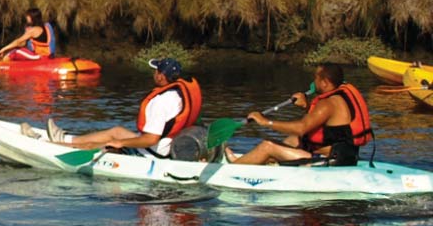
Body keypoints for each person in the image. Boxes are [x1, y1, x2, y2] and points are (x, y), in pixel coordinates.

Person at [37, 57, 202, 156]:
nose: (154, 74)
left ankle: (53, 148)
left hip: (154, 152)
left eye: (156, 71)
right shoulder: (180, 94)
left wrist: (122, 143)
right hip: (167, 145)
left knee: (112, 140)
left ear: (160, 76)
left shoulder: (160, 102)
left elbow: (151, 139)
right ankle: (67, 139)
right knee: (116, 131)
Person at [228, 63, 372, 166]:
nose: (313, 81)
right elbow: (325, 123)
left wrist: (266, 122)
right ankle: (264, 161)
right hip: (347, 154)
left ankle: (234, 168)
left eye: (316, 78)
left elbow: (302, 127)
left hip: (333, 161)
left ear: (325, 83)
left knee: (268, 146)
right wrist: (307, 106)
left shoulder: (328, 103)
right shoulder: (340, 96)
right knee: (294, 140)